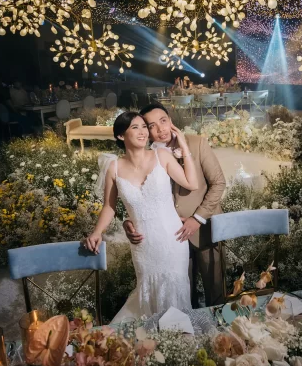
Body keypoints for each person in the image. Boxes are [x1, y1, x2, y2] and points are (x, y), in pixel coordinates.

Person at [83, 111, 199, 323]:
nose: (143, 132)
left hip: (172, 240)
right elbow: (109, 206)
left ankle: (179, 343)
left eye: (144, 127)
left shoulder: (161, 156)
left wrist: (183, 146)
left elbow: (192, 184)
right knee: (147, 293)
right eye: (135, 127)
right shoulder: (114, 167)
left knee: (175, 291)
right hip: (144, 247)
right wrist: (97, 232)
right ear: (120, 136)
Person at [129, 102, 226, 307]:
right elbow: (141, 197)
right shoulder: (148, 157)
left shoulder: (197, 143)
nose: (160, 129)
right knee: (182, 296)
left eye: (163, 121)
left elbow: (218, 183)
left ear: (171, 121)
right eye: (152, 125)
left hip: (205, 230)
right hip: (171, 239)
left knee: (216, 292)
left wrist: (197, 218)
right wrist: (127, 221)